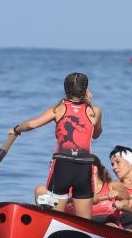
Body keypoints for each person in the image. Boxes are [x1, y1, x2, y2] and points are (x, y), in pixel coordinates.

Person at [10, 72, 103, 219]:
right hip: (84, 167)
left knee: (56, 218)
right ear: (86, 90)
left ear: (66, 90)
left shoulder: (58, 109)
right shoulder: (95, 111)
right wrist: (89, 103)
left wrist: (16, 129)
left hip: (63, 164)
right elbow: (96, 134)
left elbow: (32, 124)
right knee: (85, 221)